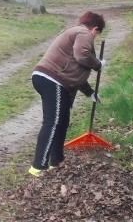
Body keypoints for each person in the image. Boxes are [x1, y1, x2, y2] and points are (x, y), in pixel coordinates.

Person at [29, 11, 106, 177]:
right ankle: (38, 166)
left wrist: (90, 92)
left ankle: (56, 161)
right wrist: (98, 64)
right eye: (97, 34)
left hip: (52, 79)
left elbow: (75, 73)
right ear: (95, 29)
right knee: (53, 122)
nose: (95, 37)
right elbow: (82, 56)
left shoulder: (75, 33)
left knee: (62, 121)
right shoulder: (83, 33)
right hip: (52, 79)